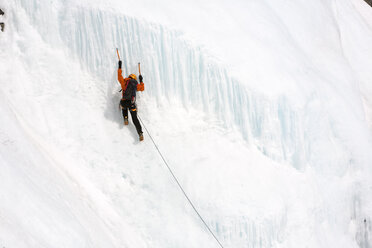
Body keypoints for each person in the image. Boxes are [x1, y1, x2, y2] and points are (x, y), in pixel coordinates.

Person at [117, 60, 144, 141]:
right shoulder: (136, 84)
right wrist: (141, 80)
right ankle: (140, 133)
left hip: (124, 102)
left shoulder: (124, 82)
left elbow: (119, 77)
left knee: (123, 106)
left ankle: (125, 117)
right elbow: (142, 88)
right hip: (131, 104)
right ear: (134, 78)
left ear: (129, 77)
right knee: (135, 118)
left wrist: (120, 66)